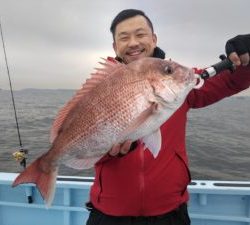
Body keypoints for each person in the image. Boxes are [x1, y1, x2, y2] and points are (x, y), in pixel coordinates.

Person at [86, 9, 250, 225]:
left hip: (170, 212)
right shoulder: (100, 90)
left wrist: (246, 57)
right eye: (124, 37)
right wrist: (110, 153)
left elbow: (230, 81)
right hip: (108, 213)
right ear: (115, 47)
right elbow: (86, 145)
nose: (133, 42)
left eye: (140, 34)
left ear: (153, 39)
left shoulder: (179, 78)